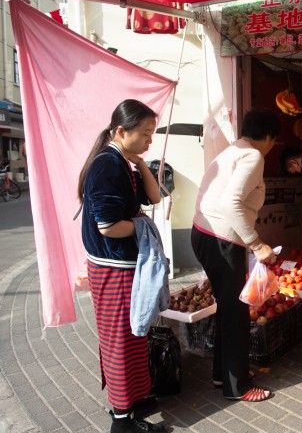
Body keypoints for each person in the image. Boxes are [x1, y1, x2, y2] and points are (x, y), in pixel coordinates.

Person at [77, 99, 165, 433]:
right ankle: (121, 419)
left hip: (125, 264)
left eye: (151, 134)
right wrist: (144, 226)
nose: (149, 140)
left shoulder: (122, 162)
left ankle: (137, 399)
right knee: (120, 339)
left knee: (134, 334)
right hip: (112, 267)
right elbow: (109, 226)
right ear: (120, 131)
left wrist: (141, 164)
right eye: (144, 134)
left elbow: (155, 198)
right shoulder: (107, 165)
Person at [191, 108, 280, 402]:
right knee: (236, 312)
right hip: (221, 240)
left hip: (204, 235)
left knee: (228, 308)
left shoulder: (234, 150)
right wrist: (256, 245)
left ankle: (224, 374)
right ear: (268, 137)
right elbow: (231, 204)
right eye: (273, 141)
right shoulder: (253, 156)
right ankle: (237, 386)